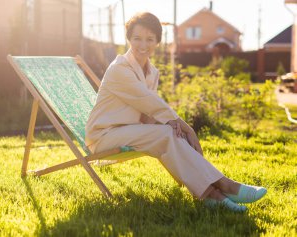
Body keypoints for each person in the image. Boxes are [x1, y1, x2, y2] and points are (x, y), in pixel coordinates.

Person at [85, 12, 266, 212]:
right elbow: (148, 101)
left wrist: (172, 125)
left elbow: (147, 113)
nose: (143, 45)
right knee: (167, 133)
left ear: (158, 42)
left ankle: (213, 195)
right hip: (104, 136)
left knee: (170, 133)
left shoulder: (151, 71)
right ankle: (224, 186)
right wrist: (186, 127)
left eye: (150, 39)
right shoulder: (119, 69)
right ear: (128, 38)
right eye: (137, 38)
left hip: (130, 131)